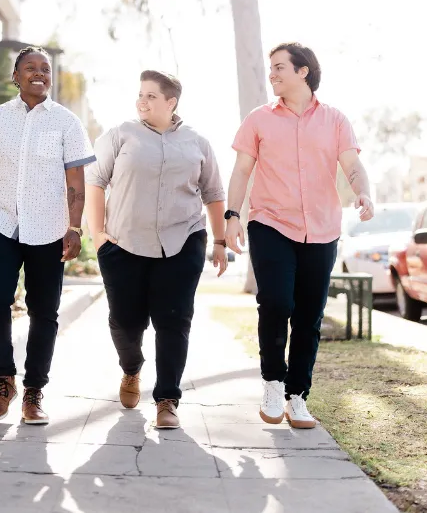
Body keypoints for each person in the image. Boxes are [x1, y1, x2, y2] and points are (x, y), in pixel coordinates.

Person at [226, 43, 374, 429]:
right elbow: (242, 170)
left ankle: (296, 396)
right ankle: (273, 382)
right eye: (270, 68)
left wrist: (363, 191)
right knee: (275, 302)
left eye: (278, 67)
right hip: (270, 222)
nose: (271, 74)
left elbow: (352, 164)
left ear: (303, 71)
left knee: (309, 316)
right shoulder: (259, 119)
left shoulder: (335, 120)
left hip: (322, 228)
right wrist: (232, 215)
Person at [85, 70, 227, 430]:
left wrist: (220, 241)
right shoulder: (120, 135)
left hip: (183, 241)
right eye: (140, 95)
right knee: (125, 321)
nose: (142, 101)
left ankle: (167, 400)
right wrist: (98, 234)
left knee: (174, 320)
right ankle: (131, 369)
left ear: (171, 102)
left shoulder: (197, 142)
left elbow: (213, 194)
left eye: (150, 95)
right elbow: (95, 182)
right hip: (123, 243)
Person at [0, 46, 95, 424]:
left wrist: (74, 226)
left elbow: (76, 179)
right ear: (16, 76)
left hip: (48, 228)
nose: (39, 74)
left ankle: (34, 391)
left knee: (44, 311)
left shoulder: (66, 122)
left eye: (45, 68)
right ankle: (3, 379)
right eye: (30, 68)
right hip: (1, 222)